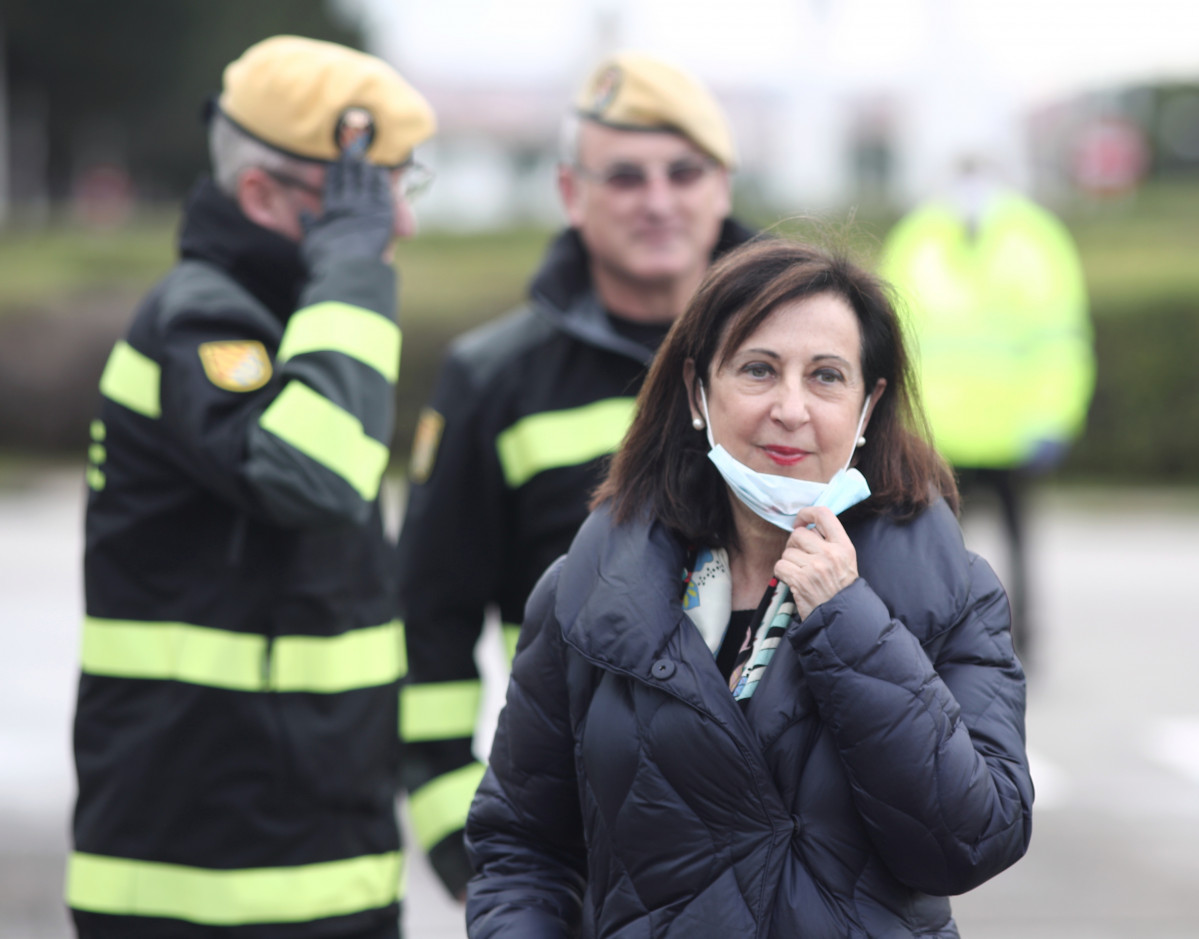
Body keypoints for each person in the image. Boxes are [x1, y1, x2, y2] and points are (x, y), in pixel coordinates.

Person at [465, 239, 1033, 937]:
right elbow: (520, 843)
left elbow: (973, 838)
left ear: (867, 405)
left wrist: (848, 619)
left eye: (826, 376)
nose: (790, 408)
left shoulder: (950, 588)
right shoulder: (585, 592)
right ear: (696, 391)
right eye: (758, 370)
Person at [67, 36, 435, 938]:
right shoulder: (203, 320)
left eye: (399, 186)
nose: (399, 225)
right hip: (198, 885)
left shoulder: (301, 322)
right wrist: (352, 270)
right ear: (263, 194)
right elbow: (317, 473)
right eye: (364, 194)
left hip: (325, 864)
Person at [396, 51, 754, 897]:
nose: (658, 201)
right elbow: (427, 624)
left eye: (682, 172)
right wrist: (470, 850)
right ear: (570, 193)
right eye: (624, 176)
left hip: (786, 858)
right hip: (586, 863)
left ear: (723, 186)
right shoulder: (493, 381)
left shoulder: (812, 359)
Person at [880, 154, 1095, 662]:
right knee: (935, 546)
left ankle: (1023, 642)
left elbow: (1059, 338)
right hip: (939, 433)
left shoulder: (1033, 238)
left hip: (1010, 431)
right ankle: (941, 638)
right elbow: (888, 335)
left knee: (1013, 543)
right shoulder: (919, 237)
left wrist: (1053, 418)